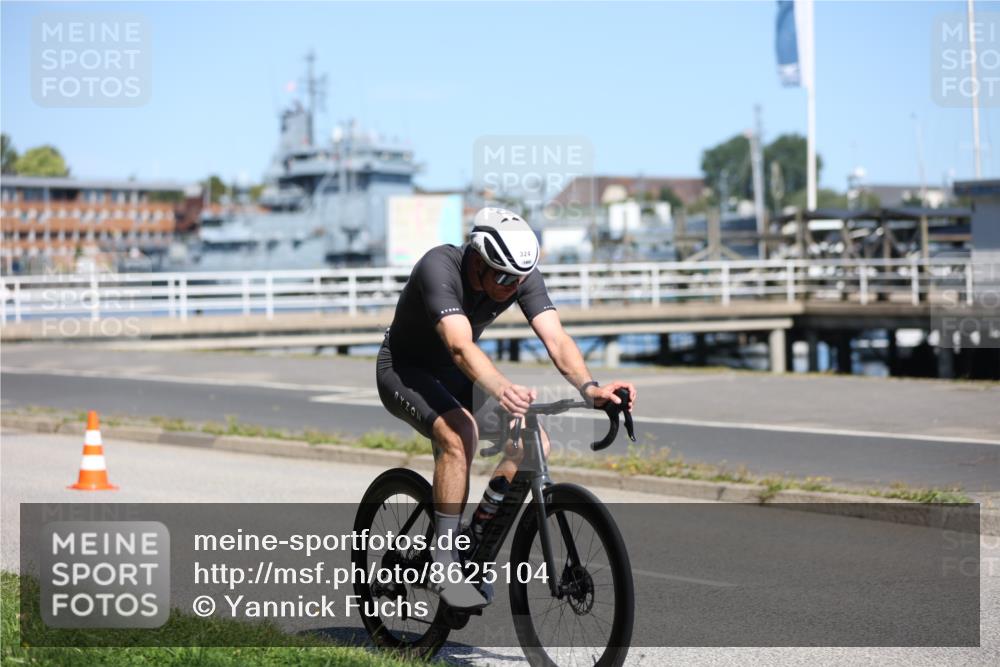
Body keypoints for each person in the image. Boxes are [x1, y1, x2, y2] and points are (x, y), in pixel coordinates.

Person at [376, 207, 637, 608]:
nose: (511, 287)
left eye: (518, 280)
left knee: (534, 444)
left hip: (456, 373)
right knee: (459, 434)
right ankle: (443, 562)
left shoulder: (517, 275)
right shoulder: (438, 268)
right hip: (404, 370)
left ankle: (475, 545)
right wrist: (501, 388)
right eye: (502, 278)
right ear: (477, 260)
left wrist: (590, 388)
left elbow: (557, 339)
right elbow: (460, 346)